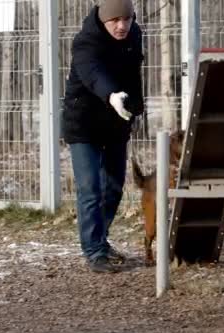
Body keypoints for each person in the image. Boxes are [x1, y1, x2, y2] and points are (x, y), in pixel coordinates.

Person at [61, 0, 144, 273]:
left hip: (116, 120)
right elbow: (93, 74)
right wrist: (111, 94)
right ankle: (94, 251)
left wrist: (137, 107)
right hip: (83, 122)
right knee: (90, 188)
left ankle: (100, 238)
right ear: (103, 19)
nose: (122, 26)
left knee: (113, 186)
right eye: (115, 21)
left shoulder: (134, 35)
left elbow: (133, 74)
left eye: (127, 20)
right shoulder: (85, 42)